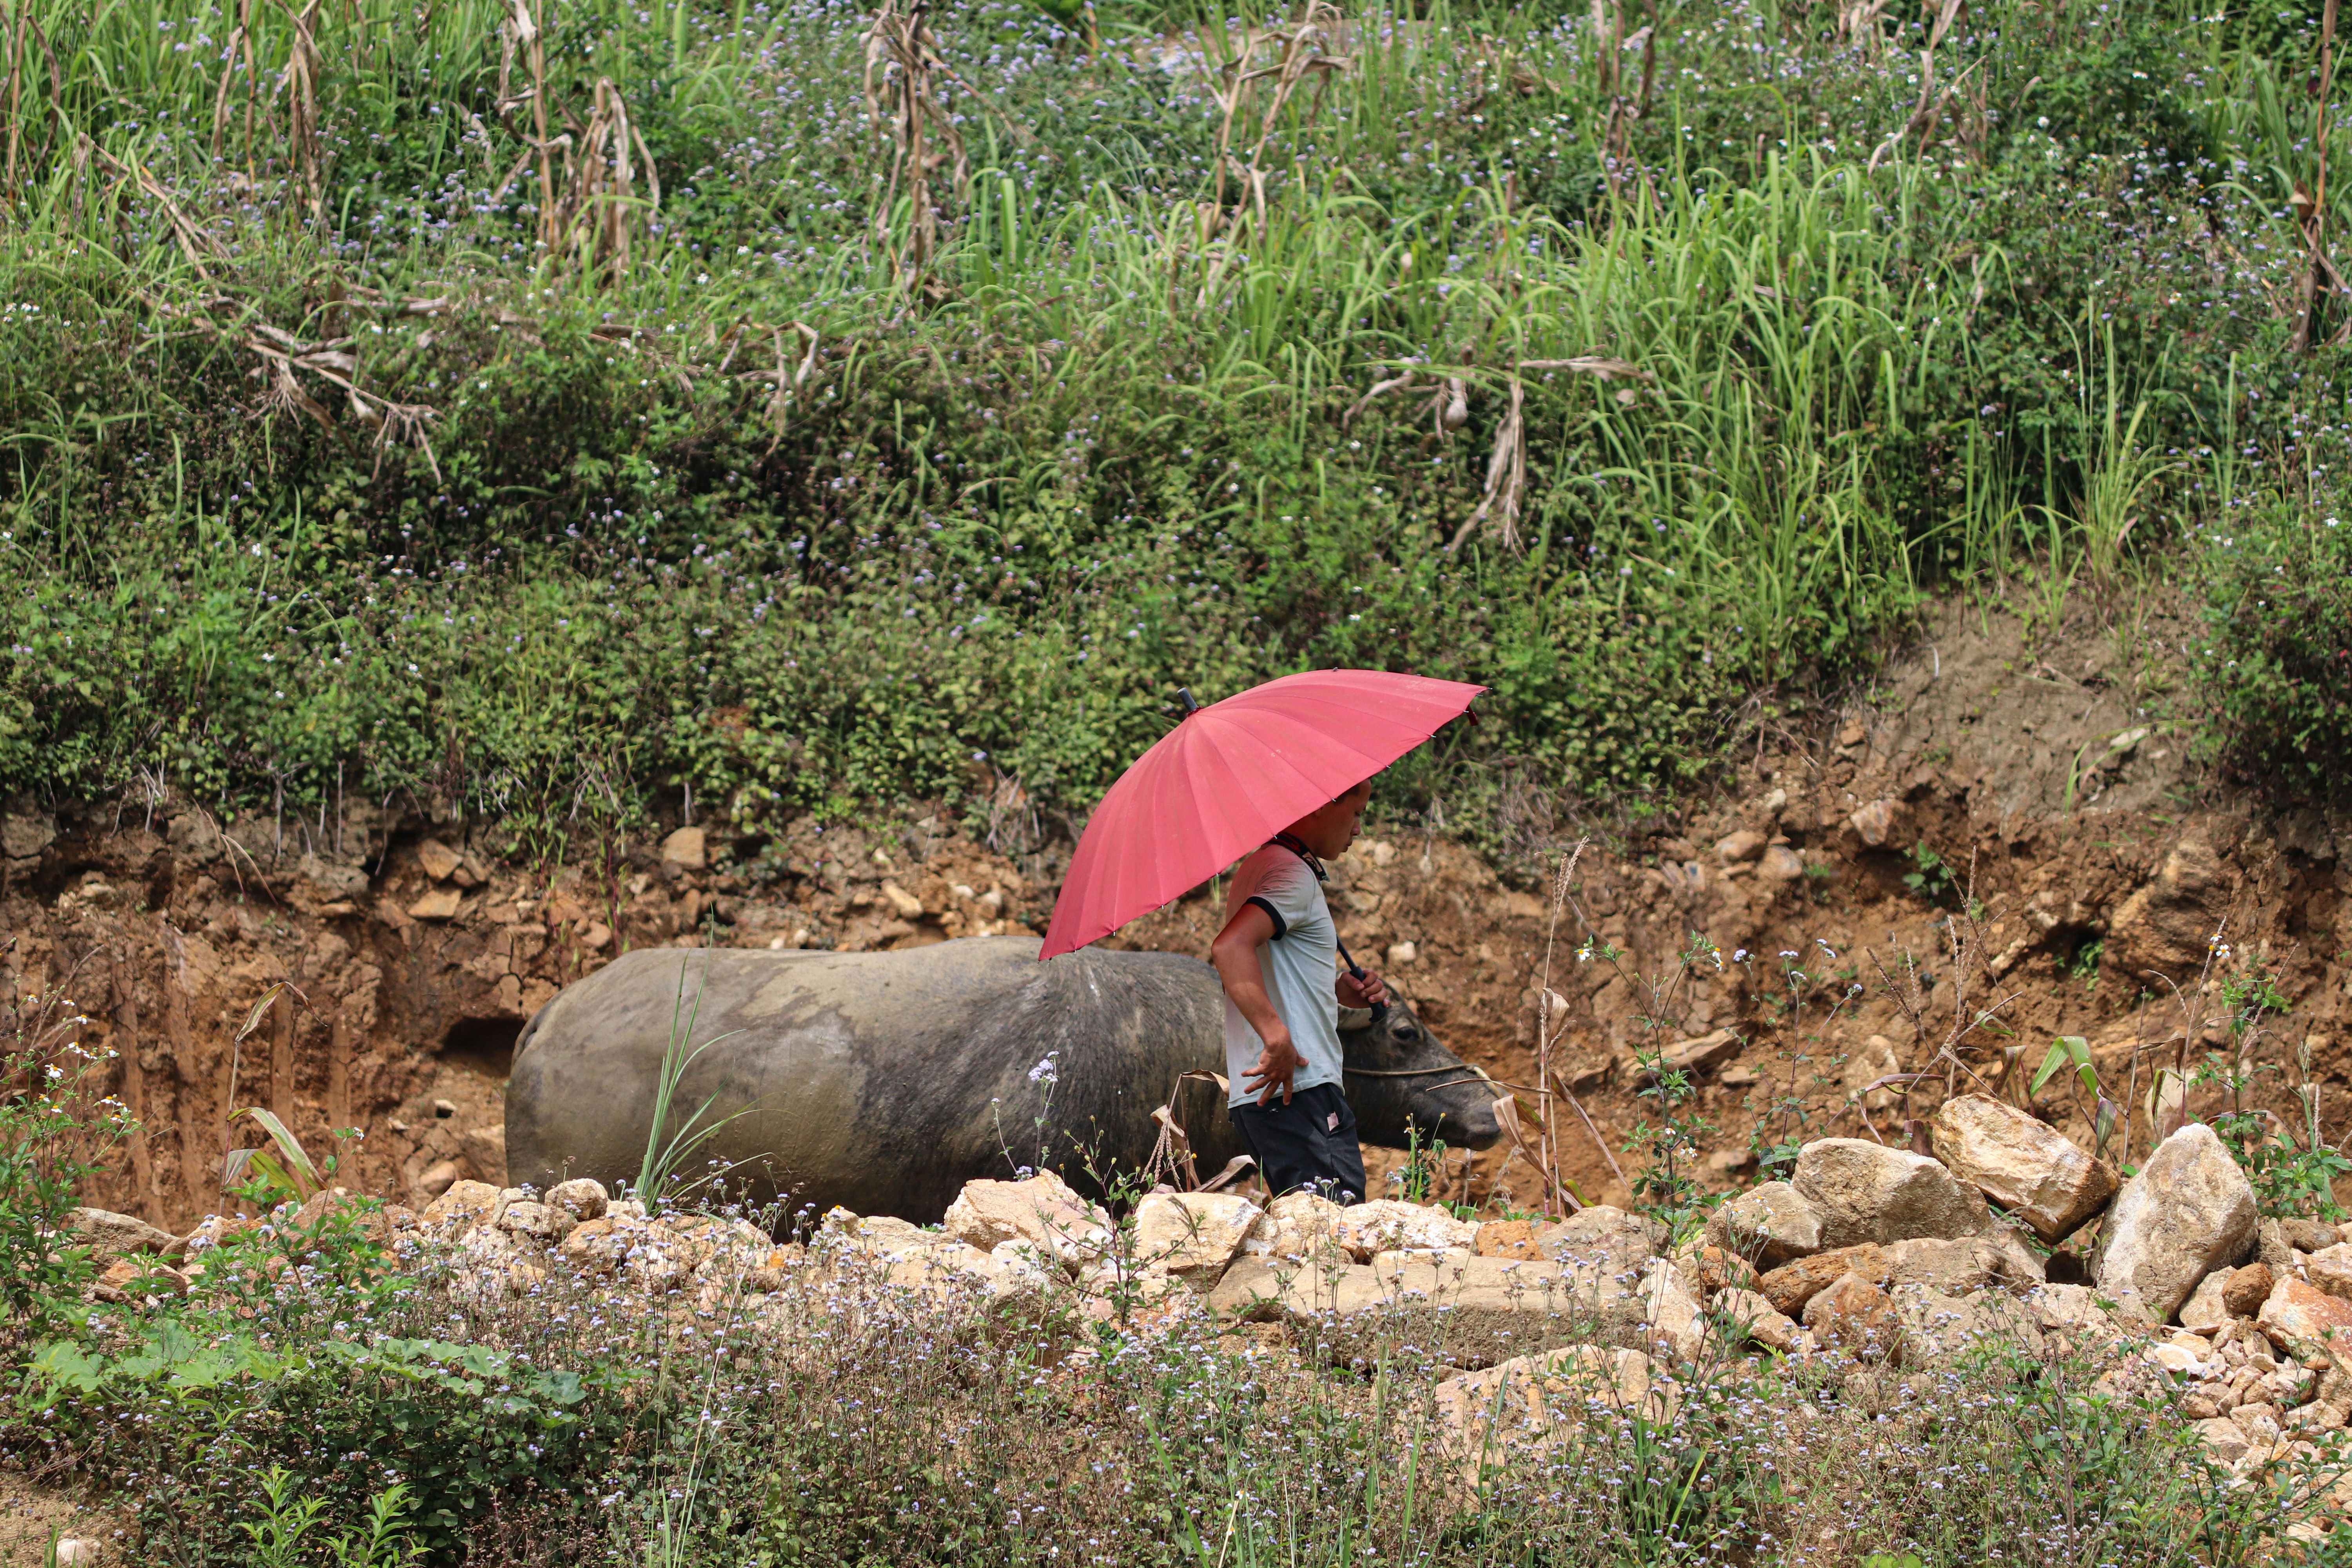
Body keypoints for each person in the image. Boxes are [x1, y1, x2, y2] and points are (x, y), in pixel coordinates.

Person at [1209, 778, 1387, 1203]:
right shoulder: (1291, 872)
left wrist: (1339, 992)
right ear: (1322, 805)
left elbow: (1277, 972)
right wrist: (1277, 1035)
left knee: (1311, 1238)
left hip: (1269, 1094)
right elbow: (1230, 948)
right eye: (1357, 813)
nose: (1359, 829)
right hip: (1299, 1088)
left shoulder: (1262, 867)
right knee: (1336, 1236)